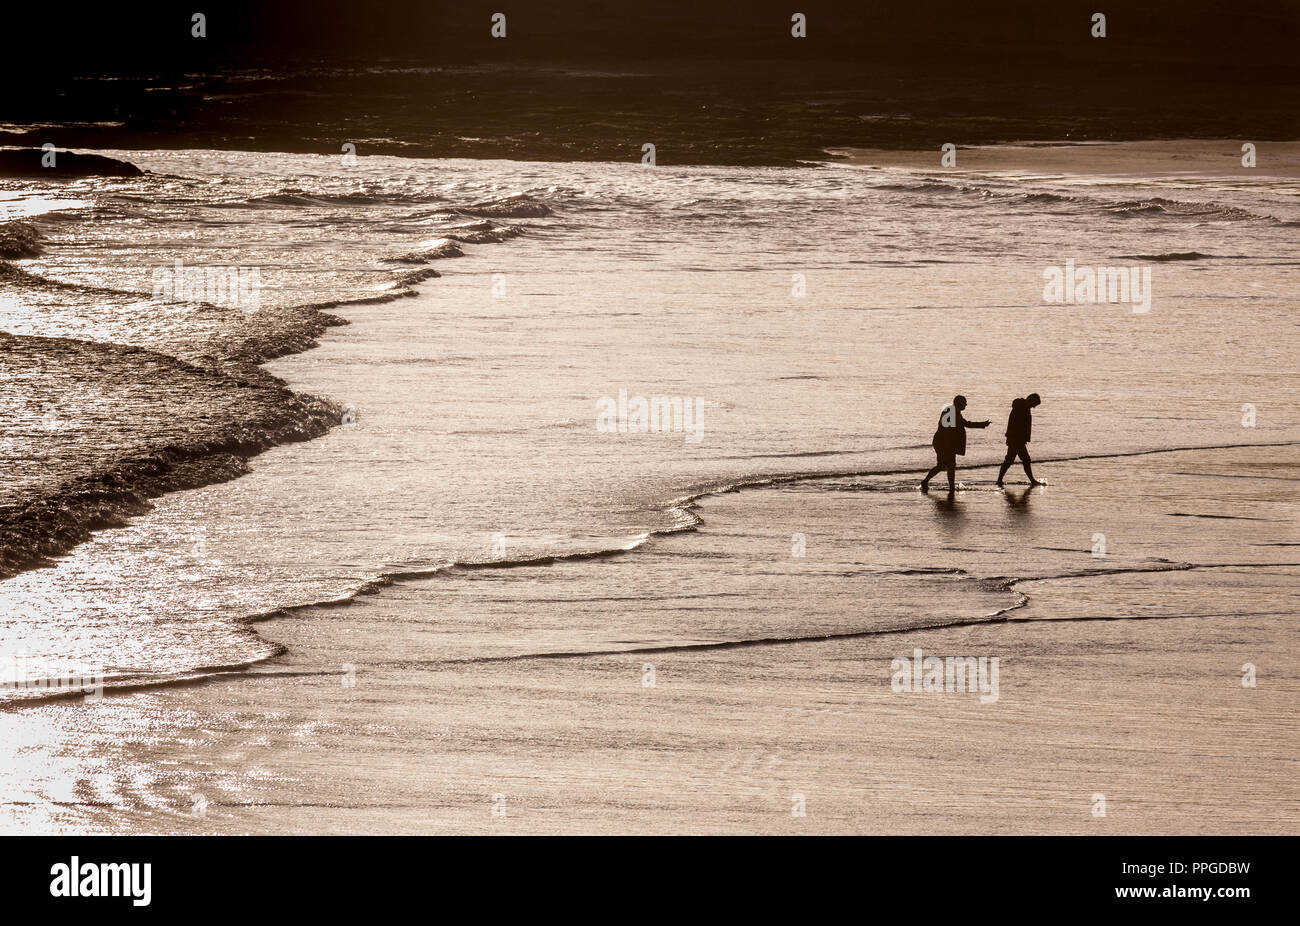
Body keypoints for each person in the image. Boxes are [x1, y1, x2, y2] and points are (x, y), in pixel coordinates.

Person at [920, 395, 989, 493]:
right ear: (958, 403)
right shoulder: (952, 412)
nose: (966, 405)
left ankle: (942, 485)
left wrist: (982, 424)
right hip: (944, 443)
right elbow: (952, 429)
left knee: (946, 465)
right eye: (964, 403)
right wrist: (982, 424)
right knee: (948, 465)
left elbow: (962, 424)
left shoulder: (953, 411)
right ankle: (937, 484)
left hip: (945, 443)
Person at [996, 393, 1044, 487]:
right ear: (1031, 400)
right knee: (1024, 460)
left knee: (1010, 460)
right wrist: (1012, 437)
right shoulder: (1021, 407)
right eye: (1035, 404)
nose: (1034, 407)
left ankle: (999, 480)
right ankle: (1032, 481)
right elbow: (1014, 424)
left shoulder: (1023, 407)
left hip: (1016, 439)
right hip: (1016, 439)